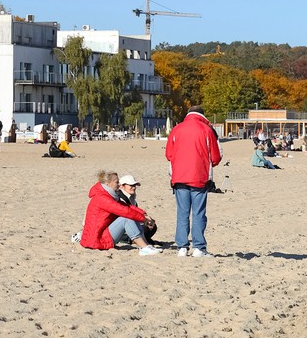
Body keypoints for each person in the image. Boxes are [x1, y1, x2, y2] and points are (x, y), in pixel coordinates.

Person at [166, 106, 223, 257]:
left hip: (179, 177)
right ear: (202, 115)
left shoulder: (177, 129)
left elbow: (169, 154)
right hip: (199, 177)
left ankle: (182, 247)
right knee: (198, 213)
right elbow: (216, 157)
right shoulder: (206, 129)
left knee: (182, 213)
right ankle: (198, 247)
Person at [79, 171, 158, 255]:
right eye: (116, 182)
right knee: (126, 218)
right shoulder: (102, 198)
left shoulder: (110, 196)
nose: (119, 184)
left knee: (132, 218)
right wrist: (143, 219)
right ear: (107, 183)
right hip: (95, 240)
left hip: (101, 234)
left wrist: (144, 215)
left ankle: (145, 245)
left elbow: (127, 206)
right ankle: (144, 247)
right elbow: (124, 211)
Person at [107, 174, 160, 254]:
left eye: (135, 185)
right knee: (144, 227)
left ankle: (142, 242)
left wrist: (145, 217)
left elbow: (134, 211)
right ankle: (136, 242)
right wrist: (144, 219)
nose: (134, 187)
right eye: (131, 185)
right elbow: (127, 214)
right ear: (122, 186)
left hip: (128, 223)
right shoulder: (119, 198)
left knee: (152, 226)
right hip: (118, 227)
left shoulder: (131, 197)